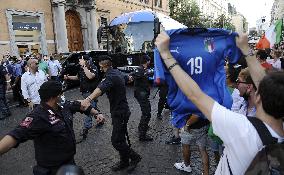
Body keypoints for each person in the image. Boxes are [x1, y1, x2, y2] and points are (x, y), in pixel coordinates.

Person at [155, 32, 284, 174]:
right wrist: (245, 49)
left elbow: (195, 95)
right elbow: (262, 83)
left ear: (258, 97)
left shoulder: (242, 130)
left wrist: (166, 54)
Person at [0, 81, 104, 175]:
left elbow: (81, 105)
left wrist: (97, 114)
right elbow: (15, 135)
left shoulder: (63, 106)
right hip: (52, 169)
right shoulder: (37, 116)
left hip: (69, 161)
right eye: (61, 93)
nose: (63, 95)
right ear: (55, 96)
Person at [82, 56, 141, 172]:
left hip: (120, 113)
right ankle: (124, 162)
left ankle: (135, 157)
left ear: (103, 66)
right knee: (121, 139)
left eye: (100, 67)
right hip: (121, 111)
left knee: (116, 141)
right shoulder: (117, 72)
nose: (100, 69)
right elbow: (129, 79)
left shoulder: (110, 76)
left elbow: (100, 89)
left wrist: (88, 99)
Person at [64, 55, 103, 140]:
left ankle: (86, 128)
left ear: (86, 61)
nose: (79, 62)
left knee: (88, 109)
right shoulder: (82, 68)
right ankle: (100, 118)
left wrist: (84, 66)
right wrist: (68, 77)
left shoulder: (93, 67)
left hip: (91, 93)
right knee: (93, 107)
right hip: (84, 92)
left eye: (81, 60)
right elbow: (77, 77)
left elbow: (90, 76)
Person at [129, 55, 153, 141]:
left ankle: (141, 126)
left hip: (142, 94)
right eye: (149, 61)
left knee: (145, 111)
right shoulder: (140, 69)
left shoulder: (143, 69)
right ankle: (142, 135)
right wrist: (130, 78)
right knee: (147, 113)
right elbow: (132, 75)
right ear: (147, 61)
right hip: (141, 94)